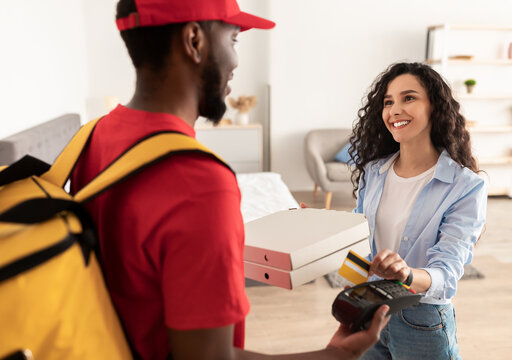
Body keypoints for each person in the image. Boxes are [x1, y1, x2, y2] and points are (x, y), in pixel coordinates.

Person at [70, 0, 389, 359]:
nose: (236, 62)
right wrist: (336, 355)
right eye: (234, 40)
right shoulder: (199, 182)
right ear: (194, 40)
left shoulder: (91, 137)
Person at [348, 62, 488, 359]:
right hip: (370, 310)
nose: (394, 110)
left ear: (434, 108)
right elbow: (357, 245)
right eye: (388, 102)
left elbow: (447, 275)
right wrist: (320, 233)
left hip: (421, 321)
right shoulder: (374, 172)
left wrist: (407, 274)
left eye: (408, 98)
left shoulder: (465, 186)